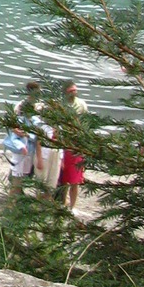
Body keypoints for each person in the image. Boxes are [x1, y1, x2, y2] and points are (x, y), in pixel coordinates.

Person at [60, 83, 86, 213]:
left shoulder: (81, 104)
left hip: (77, 144)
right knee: (63, 179)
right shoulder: (61, 104)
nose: (74, 93)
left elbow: (86, 122)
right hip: (64, 144)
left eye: (75, 90)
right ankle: (63, 202)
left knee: (75, 179)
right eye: (71, 91)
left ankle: (73, 206)